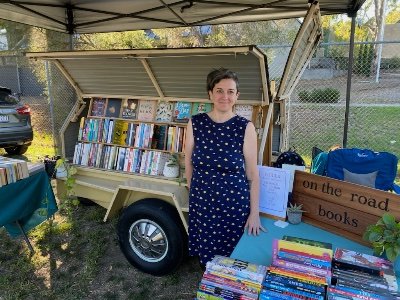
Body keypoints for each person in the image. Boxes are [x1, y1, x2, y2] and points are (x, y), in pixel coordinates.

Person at [184, 68, 266, 267]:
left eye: (230, 91)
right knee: (208, 257)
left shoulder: (245, 128)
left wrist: (254, 213)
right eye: (219, 90)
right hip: (202, 203)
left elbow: (253, 176)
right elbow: (187, 161)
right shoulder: (195, 123)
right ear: (210, 94)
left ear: (237, 96)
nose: (225, 96)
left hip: (233, 206)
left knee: (233, 259)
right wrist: (193, 190)